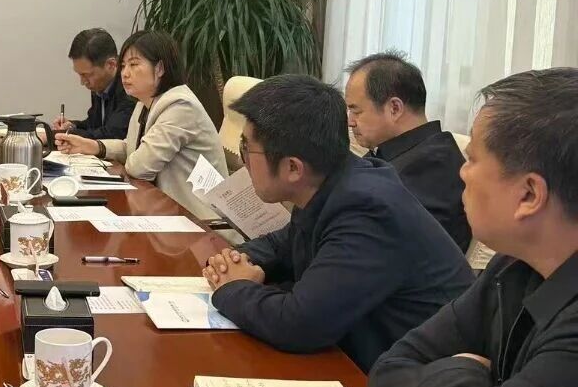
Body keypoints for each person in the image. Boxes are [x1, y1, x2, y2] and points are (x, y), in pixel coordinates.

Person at [370, 69, 578, 387]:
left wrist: (461, 374)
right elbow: (394, 367)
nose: (461, 172)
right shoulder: (516, 268)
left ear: (529, 194)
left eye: (473, 159)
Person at [201, 75, 472, 372]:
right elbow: (283, 244)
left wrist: (233, 287)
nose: (243, 160)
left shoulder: (367, 211)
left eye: (247, 148)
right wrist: (235, 261)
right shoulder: (332, 181)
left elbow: (299, 324)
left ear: (293, 168)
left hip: (411, 379)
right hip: (357, 353)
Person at [55, 30, 227, 218]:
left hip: (200, 221)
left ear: (160, 68)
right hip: (165, 210)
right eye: (123, 66)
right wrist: (93, 146)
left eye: (134, 64)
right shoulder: (144, 103)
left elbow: (140, 167)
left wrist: (118, 156)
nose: (125, 73)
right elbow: (133, 147)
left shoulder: (180, 106)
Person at [345, 51, 471, 252]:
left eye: (356, 111)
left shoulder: (433, 167)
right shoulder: (396, 153)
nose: (350, 122)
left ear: (394, 108)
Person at [51, 28, 136, 141]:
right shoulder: (100, 85)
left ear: (111, 64)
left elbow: (112, 134)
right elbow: (94, 125)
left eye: (86, 75)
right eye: (80, 75)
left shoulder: (130, 88)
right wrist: (72, 126)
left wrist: (61, 135)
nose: (83, 82)